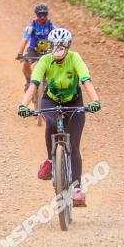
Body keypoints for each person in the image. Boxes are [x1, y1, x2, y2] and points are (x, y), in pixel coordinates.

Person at [17, 28, 101, 206]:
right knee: (52, 124)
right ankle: (50, 160)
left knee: (74, 146)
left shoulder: (75, 58)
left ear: (68, 46)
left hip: (74, 102)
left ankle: (76, 189)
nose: (58, 49)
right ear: (50, 45)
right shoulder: (45, 60)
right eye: (55, 45)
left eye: (62, 45)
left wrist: (95, 101)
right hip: (51, 100)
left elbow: (86, 80)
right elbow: (34, 83)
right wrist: (23, 105)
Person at [15, 4, 57, 88]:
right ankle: (28, 81)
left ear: (47, 14)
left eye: (44, 14)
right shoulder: (32, 26)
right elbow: (25, 40)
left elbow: (58, 39)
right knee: (26, 64)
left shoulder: (52, 26)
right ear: (36, 15)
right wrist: (20, 54)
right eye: (39, 15)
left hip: (47, 50)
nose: (42, 17)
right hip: (33, 50)